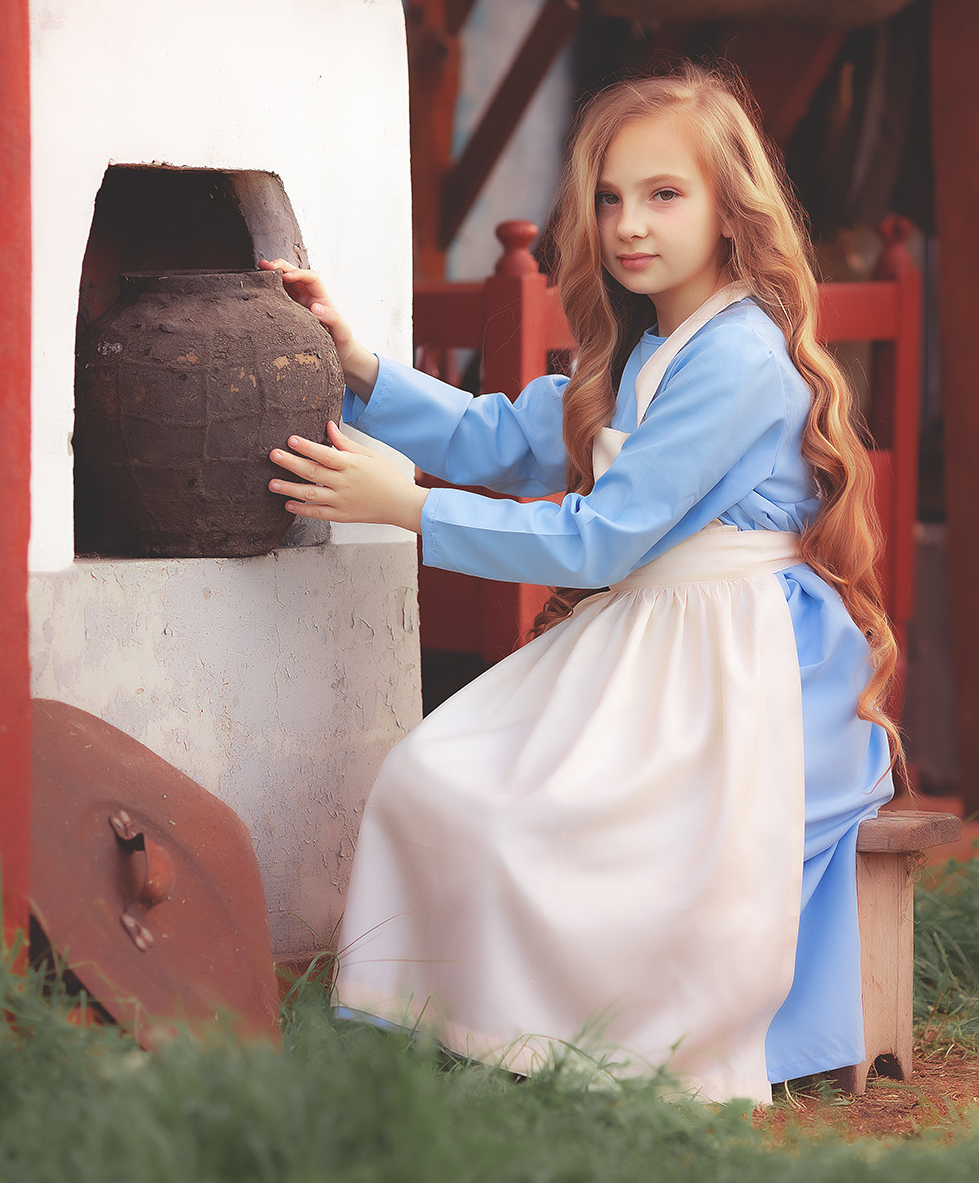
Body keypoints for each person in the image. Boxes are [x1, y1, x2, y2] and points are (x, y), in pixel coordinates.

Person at [263, 63, 896, 1105]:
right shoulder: (650, 349)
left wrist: (409, 507)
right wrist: (363, 367)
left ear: (732, 213)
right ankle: (481, 1028)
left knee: (542, 830)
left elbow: (603, 540)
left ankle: (579, 1048)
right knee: (439, 775)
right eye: (609, 197)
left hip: (748, 674)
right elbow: (505, 434)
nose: (629, 224)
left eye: (663, 194)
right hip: (654, 641)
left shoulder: (736, 358)